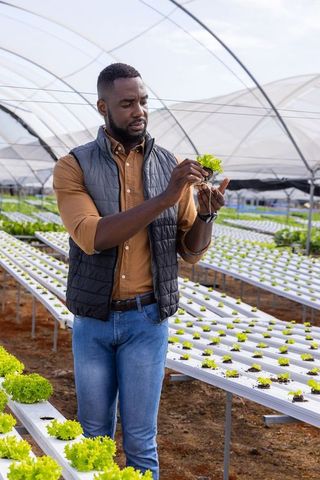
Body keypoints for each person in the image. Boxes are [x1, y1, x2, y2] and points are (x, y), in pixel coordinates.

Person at [53, 62, 229, 479]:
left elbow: (190, 251)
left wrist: (204, 216)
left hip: (147, 321)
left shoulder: (169, 164)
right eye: (127, 103)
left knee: (141, 442)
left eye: (144, 101)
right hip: (94, 321)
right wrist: (168, 196)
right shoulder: (73, 165)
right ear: (103, 107)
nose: (139, 111)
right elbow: (92, 236)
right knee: (92, 436)